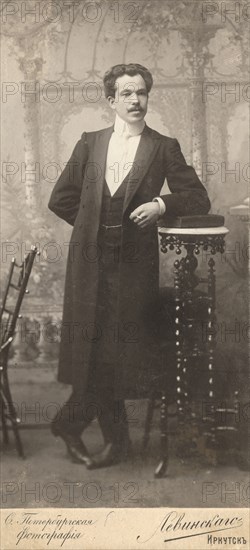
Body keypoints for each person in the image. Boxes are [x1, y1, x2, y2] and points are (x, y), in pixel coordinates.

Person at [48, 63, 210, 469]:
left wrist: (160, 205)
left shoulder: (163, 146)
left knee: (117, 354)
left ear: (147, 97)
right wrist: (91, 228)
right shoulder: (89, 143)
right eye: (126, 94)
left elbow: (197, 198)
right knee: (93, 350)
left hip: (133, 268)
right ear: (111, 101)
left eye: (141, 93)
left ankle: (79, 428)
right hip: (89, 267)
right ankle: (103, 437)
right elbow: (61, 199)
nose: (135, 100)